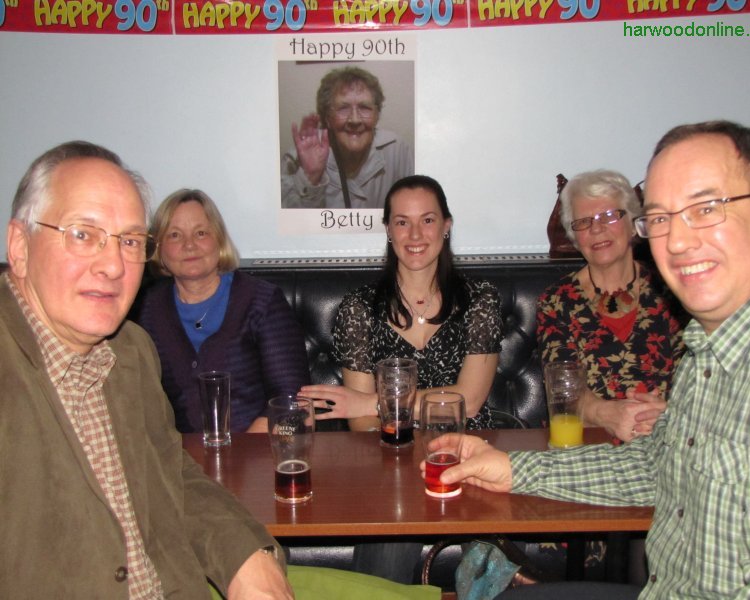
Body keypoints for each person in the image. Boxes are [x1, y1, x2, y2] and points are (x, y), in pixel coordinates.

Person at [423, 120, 750, 599]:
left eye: (706, 209)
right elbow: (654, 468)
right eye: (661, 218)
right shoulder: (713, 344)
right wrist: (512, 468)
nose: (679, 240)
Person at [1, 141, 292, 598]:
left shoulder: (130, 350)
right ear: (19, 246)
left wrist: (247, 555)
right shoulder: (147, 319)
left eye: (130, 241)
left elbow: (170, 475)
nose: (113, 264)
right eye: (83, 233)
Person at [301, 174, 503, 584]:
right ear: (388, 230)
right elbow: (361, 426)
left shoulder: (480, 300)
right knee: (385, 565)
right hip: (392, 464)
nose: (415, 234)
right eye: (401, 221)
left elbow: (470, 402)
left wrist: (376, 401)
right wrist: (372, 411)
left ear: (447, 225)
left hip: (469, 455)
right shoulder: (358, 310)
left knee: (491, 569)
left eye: (427, 220)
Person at [133, 189, 310, 434]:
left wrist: (240, 457)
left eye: (201, 233)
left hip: (257, 454)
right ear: (159, 248)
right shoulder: (147, 309)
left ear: (219, 239)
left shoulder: (262, 301)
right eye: (175, 235)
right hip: (178, 461)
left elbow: (293, 400)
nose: (189, 244)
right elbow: (139, 402)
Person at [538, 170, 686, 443]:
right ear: (574, 236)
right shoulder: (556, 301)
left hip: (671, 439)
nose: (596, 229)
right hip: (587, 446)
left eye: (608, 216)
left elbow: (701, 378)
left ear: (633, 223)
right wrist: (609, 414)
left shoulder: (676, 290)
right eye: (583, 222)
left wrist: (668, 414)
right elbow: (563, 390)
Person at [281, 66, 413, 209]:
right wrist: (310, 177)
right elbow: (287, 225)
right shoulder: (300, 157)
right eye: (343, 108)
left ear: (377, 116)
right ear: (328, 118)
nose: (354, 120)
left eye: (364, 108)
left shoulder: (397, 149)